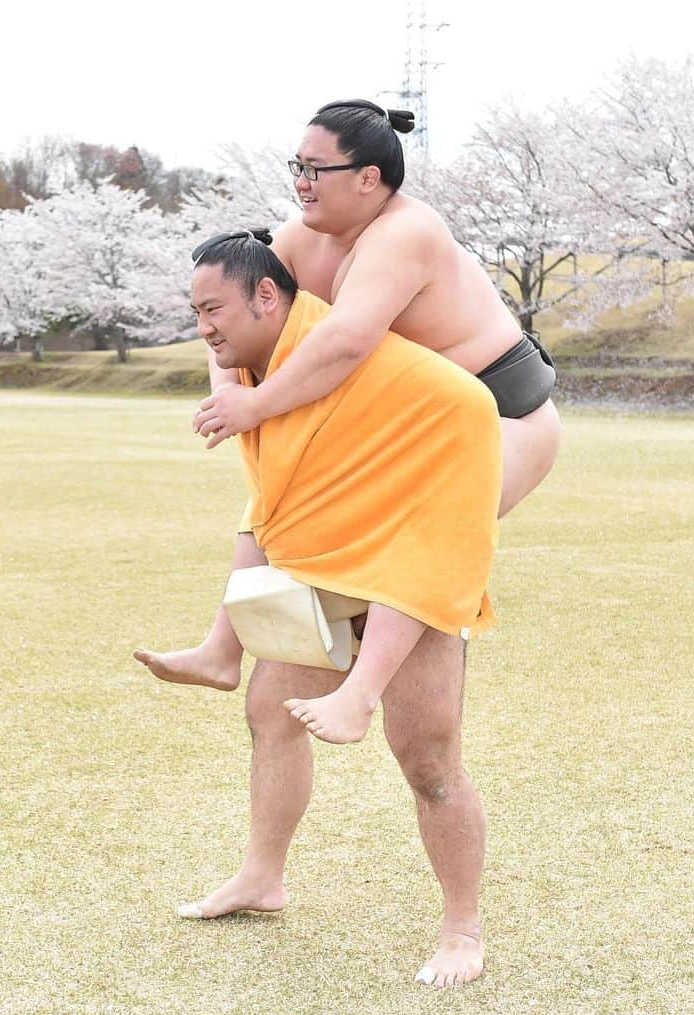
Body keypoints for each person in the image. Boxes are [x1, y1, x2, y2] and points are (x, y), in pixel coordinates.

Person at [138, 230, 502, 989]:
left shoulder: (344, 349)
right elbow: (272, 485)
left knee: (428, 758)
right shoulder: (252, 364)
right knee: (270, 709)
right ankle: (261, 877)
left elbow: (468, 411)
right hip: (319, 561)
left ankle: (462, 926)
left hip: (408, 571)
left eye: (214, 309)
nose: (204, 326)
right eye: (195, 310)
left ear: (268, 296)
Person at [136, 99, 561, 712]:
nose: (301, 183)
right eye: (296, 167)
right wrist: (229, 388)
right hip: (402, 424)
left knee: (427, 521)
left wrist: (254, 408)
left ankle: (361, 692)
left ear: (368, 177)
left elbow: (344, 342)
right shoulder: (295, 241)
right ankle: (222, 648)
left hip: (503, 418)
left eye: (316, 169)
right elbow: (236, 306)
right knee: (277, 485)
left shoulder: (407, 232)